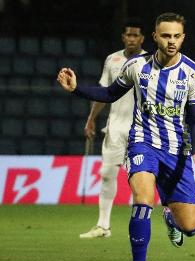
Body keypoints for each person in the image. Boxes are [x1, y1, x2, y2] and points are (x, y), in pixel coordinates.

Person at [57, 12, 195, 261]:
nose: (171, 41)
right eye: (165, 35)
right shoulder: (137, 66)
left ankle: (171, 217)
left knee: (191, 228)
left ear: (183, 38)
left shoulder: (193, 73)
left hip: (177, 151)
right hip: (142, 142)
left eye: (176, 36)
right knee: (142, 200)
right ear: (155, 37)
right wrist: (77, 89)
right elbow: (110, 94)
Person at [79, 19, 146, 239]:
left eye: (136, 35)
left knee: (140, 179)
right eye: (129, 35)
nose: (132, 38)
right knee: (107, 174)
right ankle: (103, 226)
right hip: (115, 128)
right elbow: (103, 92)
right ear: (123, 37)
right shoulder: (112, 59)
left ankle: (139, 226)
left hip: (141, 130)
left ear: (142, 39)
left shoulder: (149, 62)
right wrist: (91, 118)